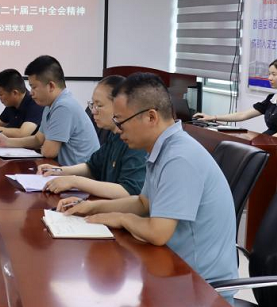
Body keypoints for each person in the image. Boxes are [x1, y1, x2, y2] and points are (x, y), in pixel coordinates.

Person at [65, 73, 238, 283]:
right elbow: (143, 203)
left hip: (200, 286)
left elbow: (158, 233)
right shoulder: (162, 149)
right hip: (173, 269)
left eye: (121, 121)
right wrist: (93, 207)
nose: (118, 129)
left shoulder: (179, 158)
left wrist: (122, 218)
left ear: (151, 117)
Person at [39, 75, 148, 209]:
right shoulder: (114, 135)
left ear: (120, 105)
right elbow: (92, 167)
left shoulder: (135, 141)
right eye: (92, 105)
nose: (93, 111)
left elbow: (129, 191)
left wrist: (75, 181)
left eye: (99, 105)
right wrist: (58, 171)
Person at [0, 55, 99, 166]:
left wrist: (43, 145)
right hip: (61, 169)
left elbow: (49, 152)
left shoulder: (63, 107)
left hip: (78, 173)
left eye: (34, 87)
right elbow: (38, 139)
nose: (31, 93)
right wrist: (7, 141)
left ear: (51, 86)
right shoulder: (50, 105)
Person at [194, 57, 277, 141]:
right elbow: (243, 115)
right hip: (268, 141)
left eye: (274, 74)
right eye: (269, 74)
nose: (269, 78)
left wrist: (256, 143)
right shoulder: (273, 98)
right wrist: (213, 117)